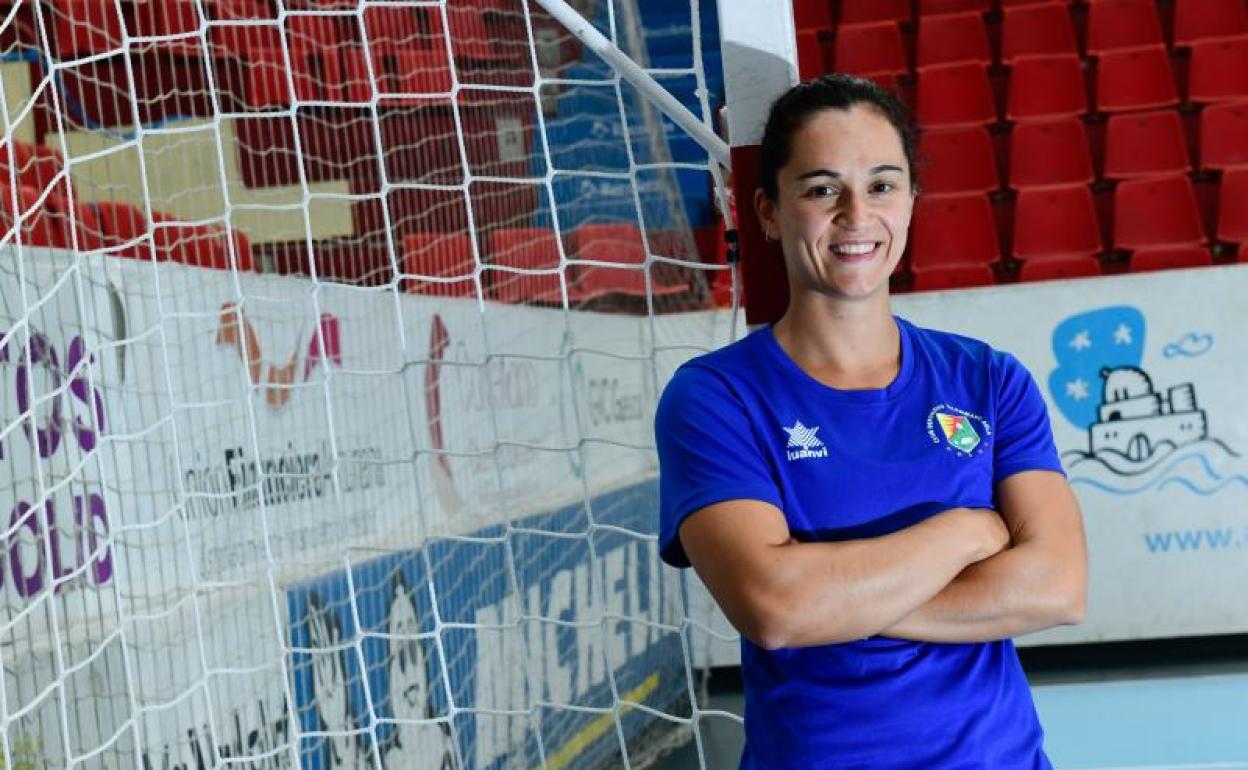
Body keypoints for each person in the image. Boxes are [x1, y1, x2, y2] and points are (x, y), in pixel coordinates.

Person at [654, 74, 1087, 769]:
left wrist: (837, 600)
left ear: (912, 200)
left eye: (883, 185)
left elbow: (1058, 586)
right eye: (823, 188)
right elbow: (776, 610)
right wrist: (968, 531)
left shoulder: (988, 379)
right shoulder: (715, 398)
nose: (857, 214)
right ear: (767, 211)